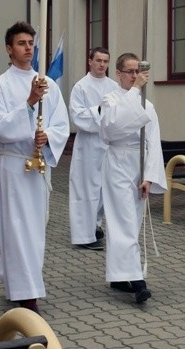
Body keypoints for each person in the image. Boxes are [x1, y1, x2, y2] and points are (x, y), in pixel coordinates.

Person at [0, 21, 69, 313]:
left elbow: (62, 123)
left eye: (31, 43)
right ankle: (27, 293)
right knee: (16, 227)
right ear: (9, 49)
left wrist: (49, 137)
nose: (28, 48)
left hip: (38, 164)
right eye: (22, 43)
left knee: (35, 228)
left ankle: (21, 280)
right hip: (13, 165)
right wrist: (30, 103)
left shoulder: (49, 84)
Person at [99, 52, 167, 304]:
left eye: (137, 71)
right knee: (122, 222)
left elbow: (153, 143)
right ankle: (137, 281)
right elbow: (111, 127)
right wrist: (134, 92)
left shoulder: (148, 105)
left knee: (131, 222)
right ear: (118, 73)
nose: (134, 76)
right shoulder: (110, 99)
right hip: (118, 162)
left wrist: (149, 176)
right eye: (129, 71)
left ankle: (118, 275)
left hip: (139, 165)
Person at [68, 47, 119, 251]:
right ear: (90, 61)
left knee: (105, 187)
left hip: (108, 143)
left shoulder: (114, 86)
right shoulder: (81, 87)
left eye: (105, 61)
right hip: (88, 144)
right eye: (98, 60)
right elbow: (77, 115)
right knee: (86, 188)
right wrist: (99, 110)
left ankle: (96, 225)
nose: (102, 65)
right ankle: (83, 235)